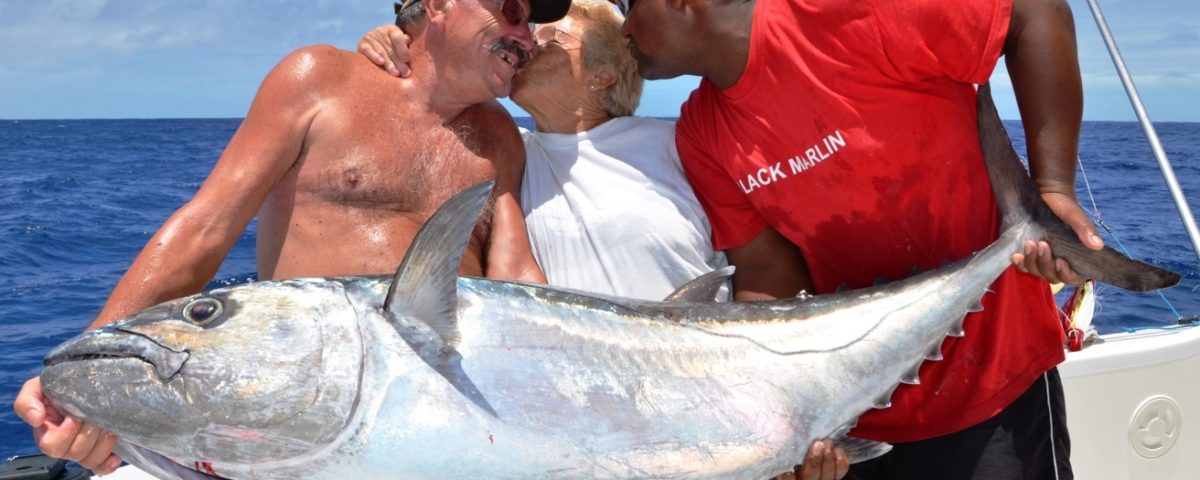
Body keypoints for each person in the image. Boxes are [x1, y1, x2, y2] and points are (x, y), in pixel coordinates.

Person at [12, 0, 569, 474]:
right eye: (513, 11)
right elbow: (206, 229)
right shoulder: (318, 78)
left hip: (446, 426)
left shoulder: (500, 135)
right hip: (306, 420)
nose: (526, 35)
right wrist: (90, 366)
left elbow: (515, 275)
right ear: (440, 5)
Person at [356, 3, 847, 478]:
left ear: (603, 75)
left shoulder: (679, 145)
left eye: (550, 36)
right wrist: (395, 46)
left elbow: (765, 267)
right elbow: (427, 98)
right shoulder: (505, 151)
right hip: (588, 439)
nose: (527, 42)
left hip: (714, 415)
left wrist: (785, 419)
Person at [616, 0, 1096, 477]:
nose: (622, 29)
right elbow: (767, 269)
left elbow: (1037, 11)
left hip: (997, 390)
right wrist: (783, 423)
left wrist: (1054, 189)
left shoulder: (852, 10)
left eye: (626, 5)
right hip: (854, 420)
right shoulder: (701, 130)